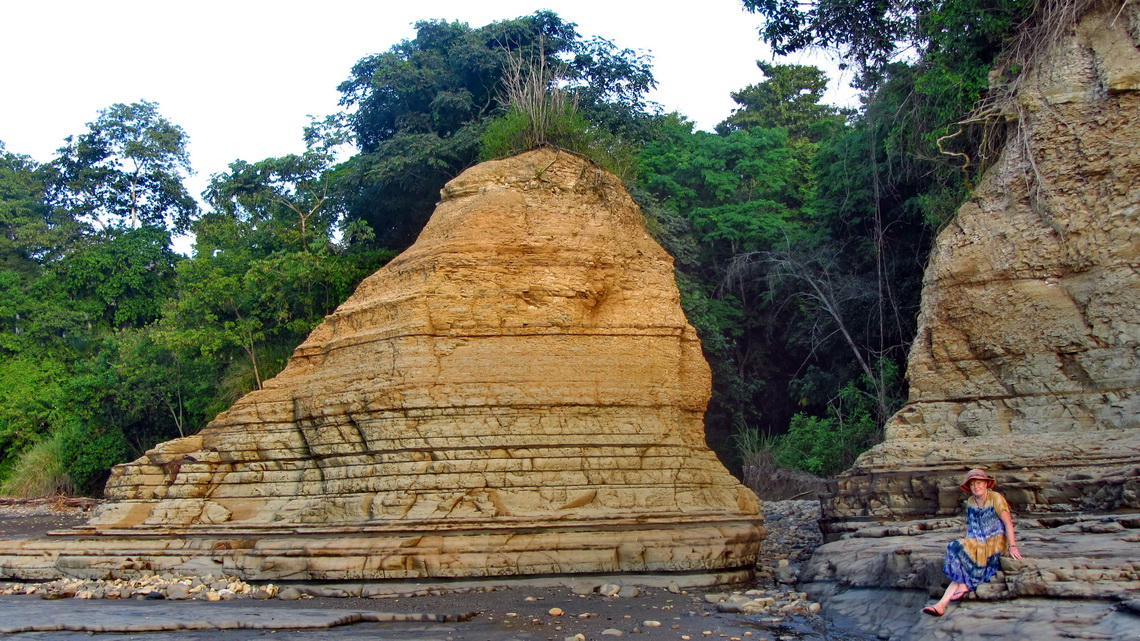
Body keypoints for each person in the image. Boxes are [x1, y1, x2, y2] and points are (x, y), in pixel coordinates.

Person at [922, 469, 1023, 616]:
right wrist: (968, 544)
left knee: (958, 551)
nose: (976, 487)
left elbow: (1008, 523)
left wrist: (1013, 546)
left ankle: (947, 599)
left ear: (986, 484)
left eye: (979, 483)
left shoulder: (996, 498)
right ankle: (942, 604)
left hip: (995, 542)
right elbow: (972, 526)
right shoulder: (970, 501)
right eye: (973, 484)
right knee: (955, 547)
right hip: (977, 540)